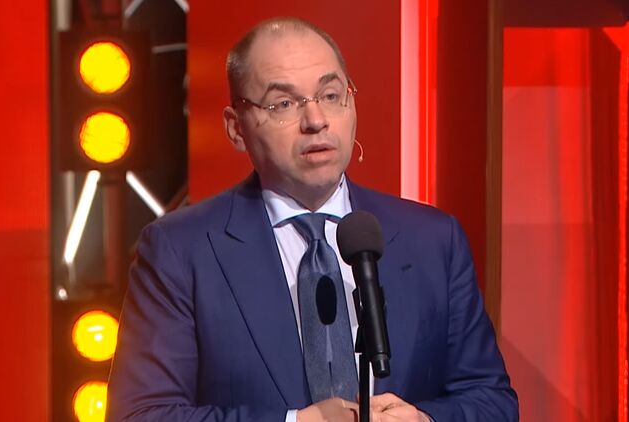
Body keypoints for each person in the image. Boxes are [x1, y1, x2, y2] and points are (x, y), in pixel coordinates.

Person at [107, 17, 518, 422]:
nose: (316, 120)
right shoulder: (180, 250)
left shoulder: (432, 239)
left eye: (331, 95)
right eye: (284, 104)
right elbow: (140, 415)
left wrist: (424, 421)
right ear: (236, 128)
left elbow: (493, 403)